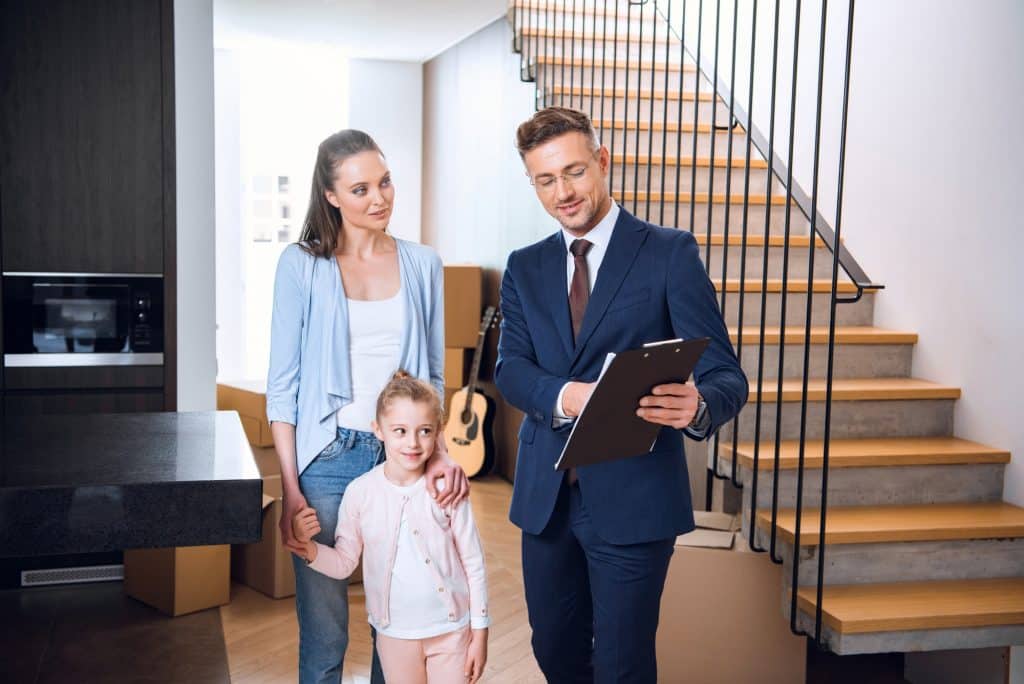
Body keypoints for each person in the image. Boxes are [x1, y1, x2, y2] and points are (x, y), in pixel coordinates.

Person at [494, 106, 749, 682]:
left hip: (634, 501)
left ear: (602, 162)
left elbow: (727, 375)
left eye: (575, 172)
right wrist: (567, 395)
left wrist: (699, 405)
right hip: (547, 502)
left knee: (622, 665)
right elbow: (511, 368)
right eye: (546, 180)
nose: (563, 192)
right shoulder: (524, 267)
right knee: (555, 652)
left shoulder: (667, 253)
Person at [266, 129, 470, 684]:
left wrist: (440, 453)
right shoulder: (301, 266)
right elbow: (281, 389)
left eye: (384, 182)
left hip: (401, 459)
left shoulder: (424, 263)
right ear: (330, 195)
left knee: (399, 623)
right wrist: (291, 490)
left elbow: (432, 377)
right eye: (360, 189)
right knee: (326, 630)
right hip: (326, 462)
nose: (379, 198)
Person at [291, 370, 490, 684]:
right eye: (400, 430)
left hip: (453, 632)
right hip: (394, 636)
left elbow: (474, 564)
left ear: (438, 431)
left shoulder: (447, 490)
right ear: (378, 430)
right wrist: (309, 548)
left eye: (425, 431)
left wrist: (480, 630)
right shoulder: (360, 493)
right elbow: (344, 562)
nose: (412, 442)